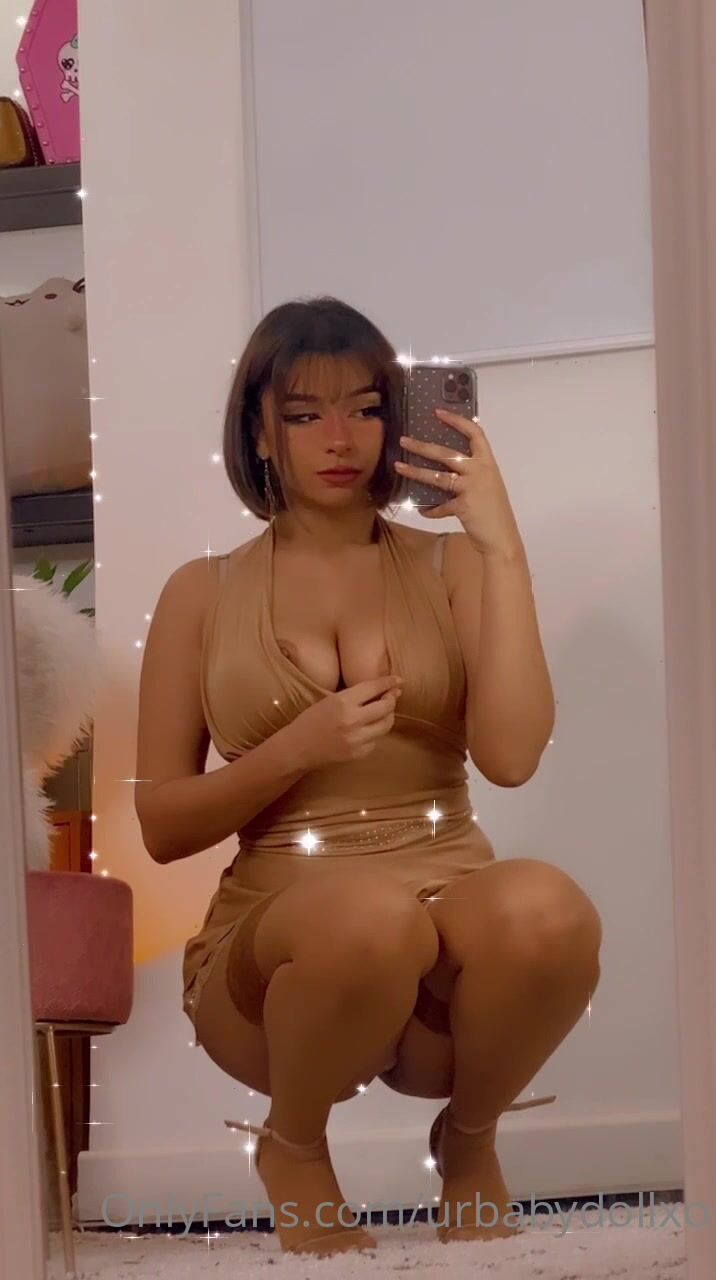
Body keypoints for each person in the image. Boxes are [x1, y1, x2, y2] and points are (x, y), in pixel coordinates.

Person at [134, 296, 602, 1257]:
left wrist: (501, 547)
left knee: (552, 910)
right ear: (258, 431)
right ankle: (294, 1147)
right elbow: (162, 827)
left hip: (442, 953)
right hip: (276, 970)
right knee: (367, 919)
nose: (340, 440)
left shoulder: (450, 568)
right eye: (305, 414)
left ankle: (468, 1139)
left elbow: (512, 759)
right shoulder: (200, 593)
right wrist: (294, 749)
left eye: (366, 408)